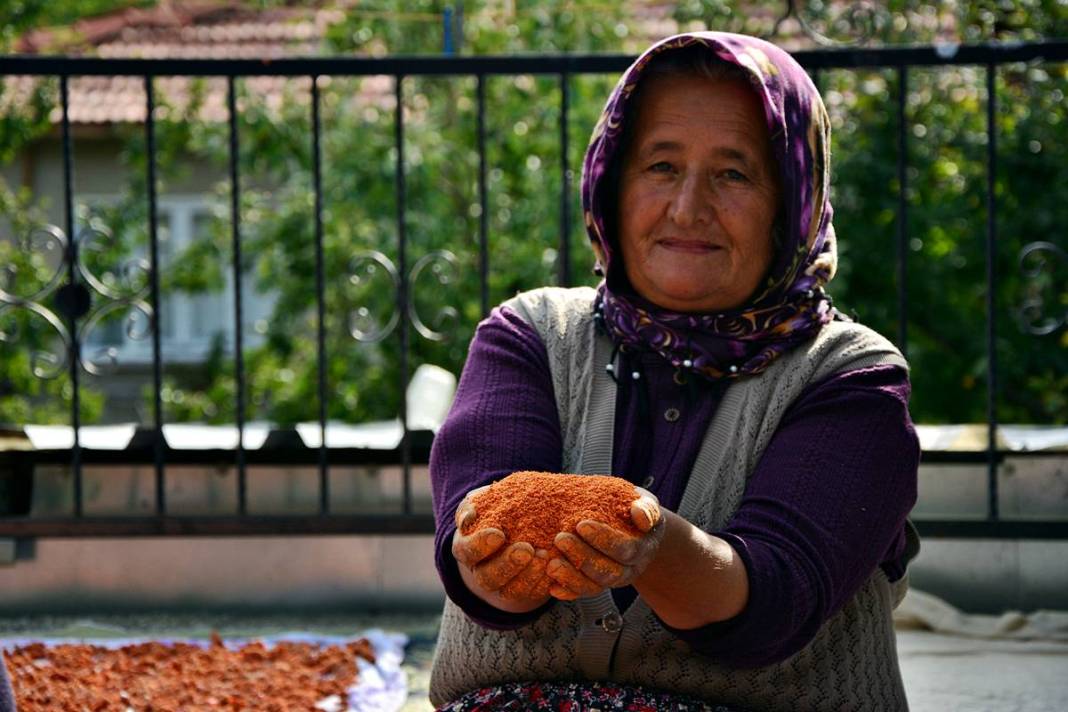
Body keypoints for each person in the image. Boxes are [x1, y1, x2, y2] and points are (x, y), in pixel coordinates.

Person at [429, 31, 919, 712]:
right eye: (661, 166)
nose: (688, 209)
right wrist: (490, 569)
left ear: (792, 204)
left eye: (734, 173)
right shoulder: (529, 336)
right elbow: (474, 525)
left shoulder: (851, 379)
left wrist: (655, 548)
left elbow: (778, 597)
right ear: (612, 183)